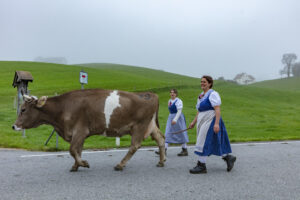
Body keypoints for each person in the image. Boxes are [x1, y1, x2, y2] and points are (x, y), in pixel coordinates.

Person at [188, 76, 236, 174]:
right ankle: (228, 157)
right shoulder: (201, 95)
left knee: (203, 140)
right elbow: (199, 110)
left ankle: (201, 165)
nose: (202, 83)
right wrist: (193, 122)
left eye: (204, 82)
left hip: (210, 119)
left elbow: (217, 109)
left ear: (210, 83)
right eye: (201, 82)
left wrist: (217, 123)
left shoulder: (213, 94)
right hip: (202, 119)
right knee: (213, 140)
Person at [155, 89, 189, 156]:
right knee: (167, 133)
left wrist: (175, 119)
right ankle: (163, 150)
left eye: (173, 93)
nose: (172, 94)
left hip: (178, 118)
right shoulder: (169, 101)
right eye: (171, 92)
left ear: (176, 94)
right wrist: (171, 118)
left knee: (181, 133)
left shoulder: (179, 101)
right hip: (171, 117)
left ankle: (185, 150)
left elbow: (179, 111)